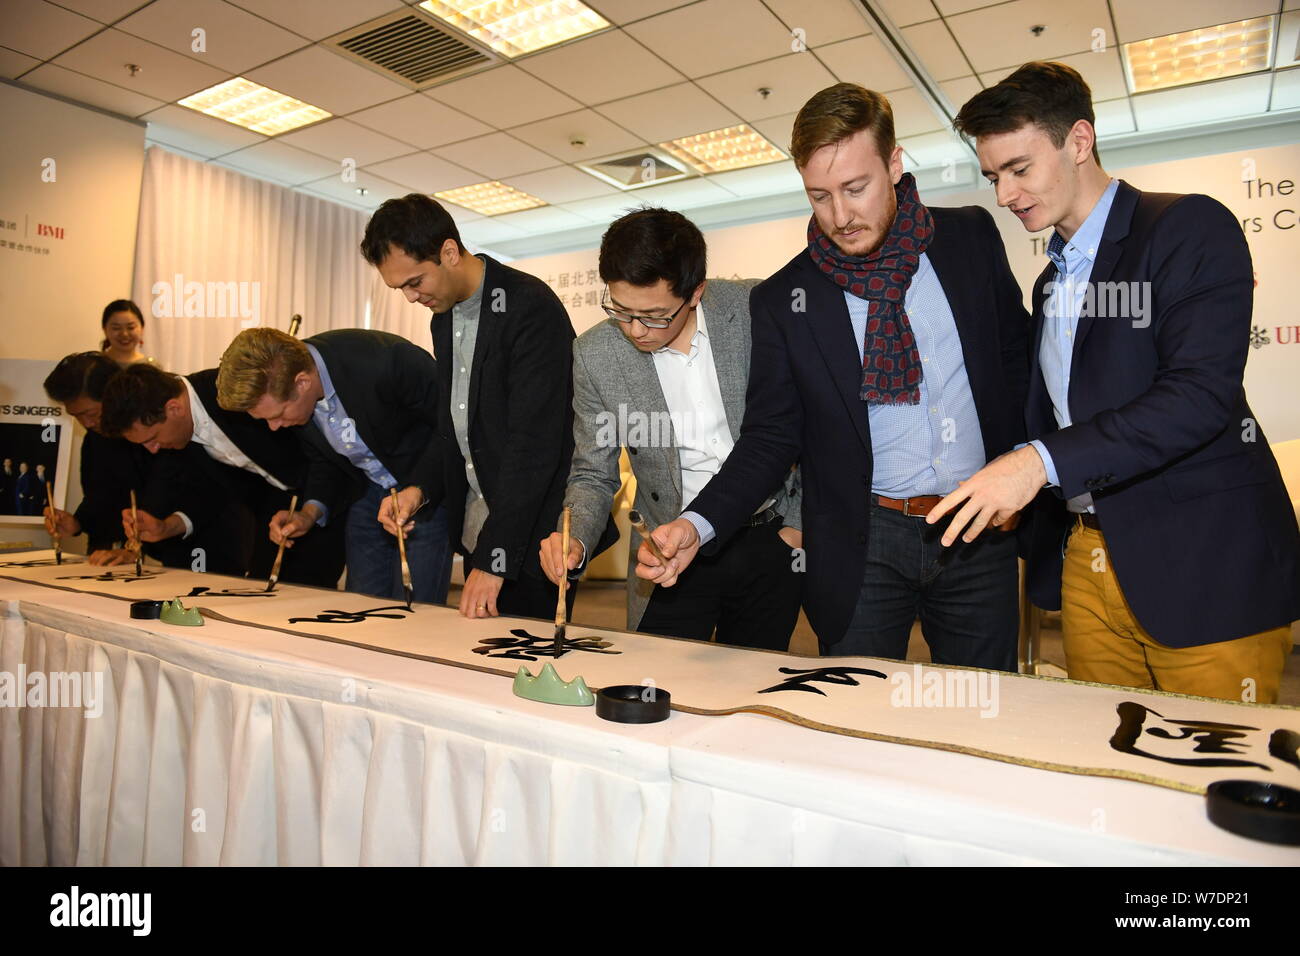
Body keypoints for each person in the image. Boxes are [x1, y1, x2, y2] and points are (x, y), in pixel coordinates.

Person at [930, 60, 1300, 702]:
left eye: (1019, 169)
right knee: (1109, 760)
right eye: (993, 177)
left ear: (1079, 141)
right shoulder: (1051, 283)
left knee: (1206, 771)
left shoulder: (1186, 228)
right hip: (1087, 561)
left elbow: (1197, 397)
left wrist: (1033, 466)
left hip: (1200, 562)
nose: (1005, 195)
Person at [634, 83, 1031, 670]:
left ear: (894, 164)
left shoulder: (970, 237)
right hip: (861, 539)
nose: (840, 216)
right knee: (855, 719)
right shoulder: (785, 299)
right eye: (819, 196)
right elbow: (770, 438)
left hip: (976, 524)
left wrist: (1024, 463)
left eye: (855, 188)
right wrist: (699, 524)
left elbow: (1015, 362)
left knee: (983, 710)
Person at [540, 207, 803, 649]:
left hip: (768, 533)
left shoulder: (757, 310)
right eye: (620, 311)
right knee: (656, 680)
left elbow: (813, 421)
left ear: (695, 291)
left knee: (753, 683)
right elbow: (593, 471)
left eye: (656, 315)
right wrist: (577, 540)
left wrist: (796, 528)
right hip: (666, 545)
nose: (636, 330)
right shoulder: (595, 353)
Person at [360, 193, 605, 620]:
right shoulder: (445, 316)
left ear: (449, 252)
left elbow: (535, 445)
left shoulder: (528, 306)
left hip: (533, 540)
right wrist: (419, 489)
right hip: (482, 530)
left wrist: (496, 556)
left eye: (415, 282)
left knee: (519, 669)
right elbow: (456, 426)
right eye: (400, 288)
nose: (411, 298)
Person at [215, 327, 452, 604]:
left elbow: (453, 426)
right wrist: (308, 513)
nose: (274, 427)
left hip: (426, 486)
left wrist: (418, 488)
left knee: (416, 605)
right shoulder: (289, 385)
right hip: (367, 493)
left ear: (302, 382)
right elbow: (325, 460)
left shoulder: (386, 361)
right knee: (362, 605)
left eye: (278, 415)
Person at [99, 362, 345, 586]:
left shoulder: (236, 390)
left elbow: (321, 449)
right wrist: (166, 526)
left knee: (311, 599)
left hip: (332, 492)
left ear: (173, 408)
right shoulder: (177, 432)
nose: (152, 449)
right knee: (262, 595)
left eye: (152, 439)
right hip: (276, 512)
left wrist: (312, 509)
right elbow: (207, 491)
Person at [42, 351, 146, 565]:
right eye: (76, 416)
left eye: (91, 414)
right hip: (107, 555)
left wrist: (135, 550)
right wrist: (77, 523)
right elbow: (98, 496)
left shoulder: (151, 434)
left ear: (114, 395)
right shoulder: (95, 438)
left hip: (162, 557)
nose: (87, 424)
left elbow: (170, 501)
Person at [100, 300, 154, 368]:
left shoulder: (151, 367)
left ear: (142, 329)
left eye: (130, 327)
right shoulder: (93, 366)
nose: (124, 334)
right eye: (116, 328)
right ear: (105, 330)